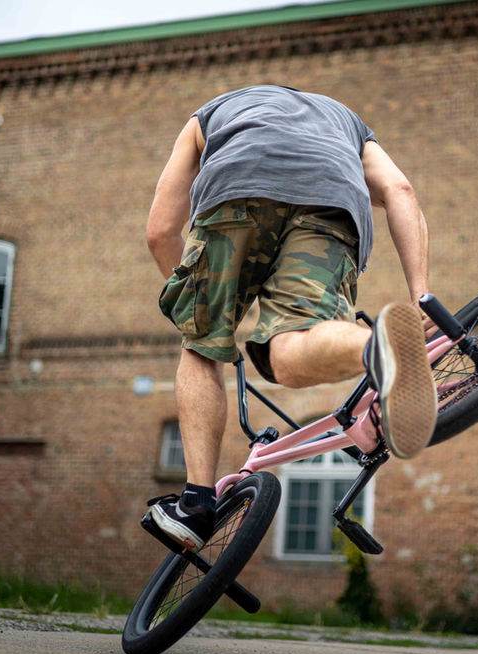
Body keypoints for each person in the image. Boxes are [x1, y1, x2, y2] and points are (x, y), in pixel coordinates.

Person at [144, 85, 438, 551]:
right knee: (296, 340)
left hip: (237, 185)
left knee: (202, 347)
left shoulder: (211, 114)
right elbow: (400, 189)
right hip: (332, 200)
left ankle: (197, 502)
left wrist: (198, 311)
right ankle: (375, 343)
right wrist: (421, 296)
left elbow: (161, 231)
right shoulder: (350, 126)